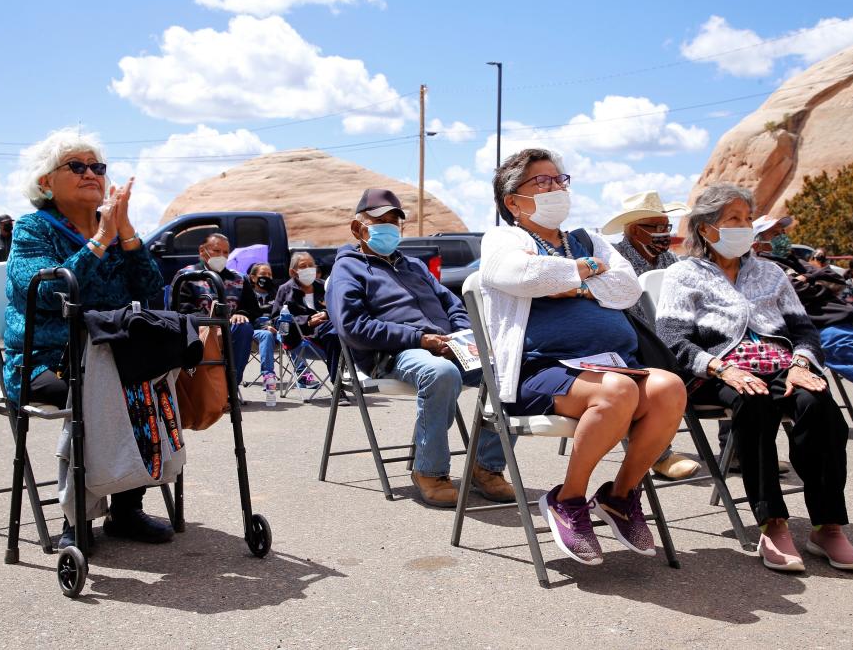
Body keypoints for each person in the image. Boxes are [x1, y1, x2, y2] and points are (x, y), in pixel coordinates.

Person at [482, 148, 686, 566]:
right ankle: (568, 499)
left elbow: (627, 288)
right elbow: (521, 275)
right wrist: (589, 274)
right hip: (543, 370)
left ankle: (619, 496)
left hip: (611, 364)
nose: (557, 188)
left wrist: (574, 278)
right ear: (513, 202)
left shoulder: (586, 241)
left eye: (560, 180)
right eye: (543, 181)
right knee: (617, 392)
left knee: (669, 387)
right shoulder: (503, 239)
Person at [657, 183, 853, 572]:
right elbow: (673, 339)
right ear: (706, 228)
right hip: (720, 370)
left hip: (782, 365)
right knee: (754, 404)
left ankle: (828, 525)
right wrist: (722, 367)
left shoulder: (771, 272)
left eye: (748, 218)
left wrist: (802, 364)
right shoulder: (683, 274)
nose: (745, 226)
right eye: (734, 218)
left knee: (818, 404)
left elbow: (804, 331)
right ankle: (773, 522)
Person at [5, 127, 170, 549]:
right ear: (46, 182)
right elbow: (47, 292)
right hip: (44, 360)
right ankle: (77, 514)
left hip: (108, 355)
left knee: (148, 380)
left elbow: (151, 289)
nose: (90, 174)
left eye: (97, 167)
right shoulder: (32, 230)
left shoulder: (113, 227)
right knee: (98, 393)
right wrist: (100, 241)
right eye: (76, 166)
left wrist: (127, 231)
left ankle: (126, 508)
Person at [327, 188, 515, 508]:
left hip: (444, 344)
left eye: (394, 222)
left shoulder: (414, 265)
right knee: (439, 373)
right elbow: (352, 326)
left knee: (509, 373)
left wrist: (461, 336)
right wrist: (418, 339)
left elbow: (452, 304)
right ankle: (429, 472)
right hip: (394, 352)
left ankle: (487, 468)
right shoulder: (348, 268)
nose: (388, 228)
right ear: (358, 228)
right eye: (379, 221)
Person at [603, 190, 700, 481]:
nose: (664, 234)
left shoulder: (670, 259)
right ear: (634, 230)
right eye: (656, 228)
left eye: (666, 227)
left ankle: (736, 450)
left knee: (724, 353)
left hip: (670, 337)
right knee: (650, 369)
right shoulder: (615, 260)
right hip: (634, 340)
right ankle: (659, 454)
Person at [753, 217, 853, 401]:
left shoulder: (795, 261)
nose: (783, 237)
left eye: (783, 232)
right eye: (775, 234)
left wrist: (805, 278)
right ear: (758, 244)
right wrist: (814, 278)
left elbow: (837, 281)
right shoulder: (763, 267)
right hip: (828, 330)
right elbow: (796, 291)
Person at [172, 233, 274, 394]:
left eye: (225, 252)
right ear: (202, 251)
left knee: (244, 327)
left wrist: (240, 313)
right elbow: (180, 309)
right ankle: (206, 388)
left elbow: (254, 309)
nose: (221, 256)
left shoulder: (239, 278)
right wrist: (212, 323)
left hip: (231, 332)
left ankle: (230, 387)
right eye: (216, 251)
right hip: (199, 331)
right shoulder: (186, 276)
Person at [273, 252, 342, 388]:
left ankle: (338, 388)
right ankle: (344, 382)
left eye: (311, 265)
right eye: (303, 266)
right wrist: (307, 321)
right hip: (300, 339)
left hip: (327, 336)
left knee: (334, 335)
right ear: (293, 272)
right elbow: (277, 320)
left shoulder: (325, 287)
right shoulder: (285, 290)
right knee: (337, 334)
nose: (309, 269)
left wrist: (326, 314)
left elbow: (341, 307)